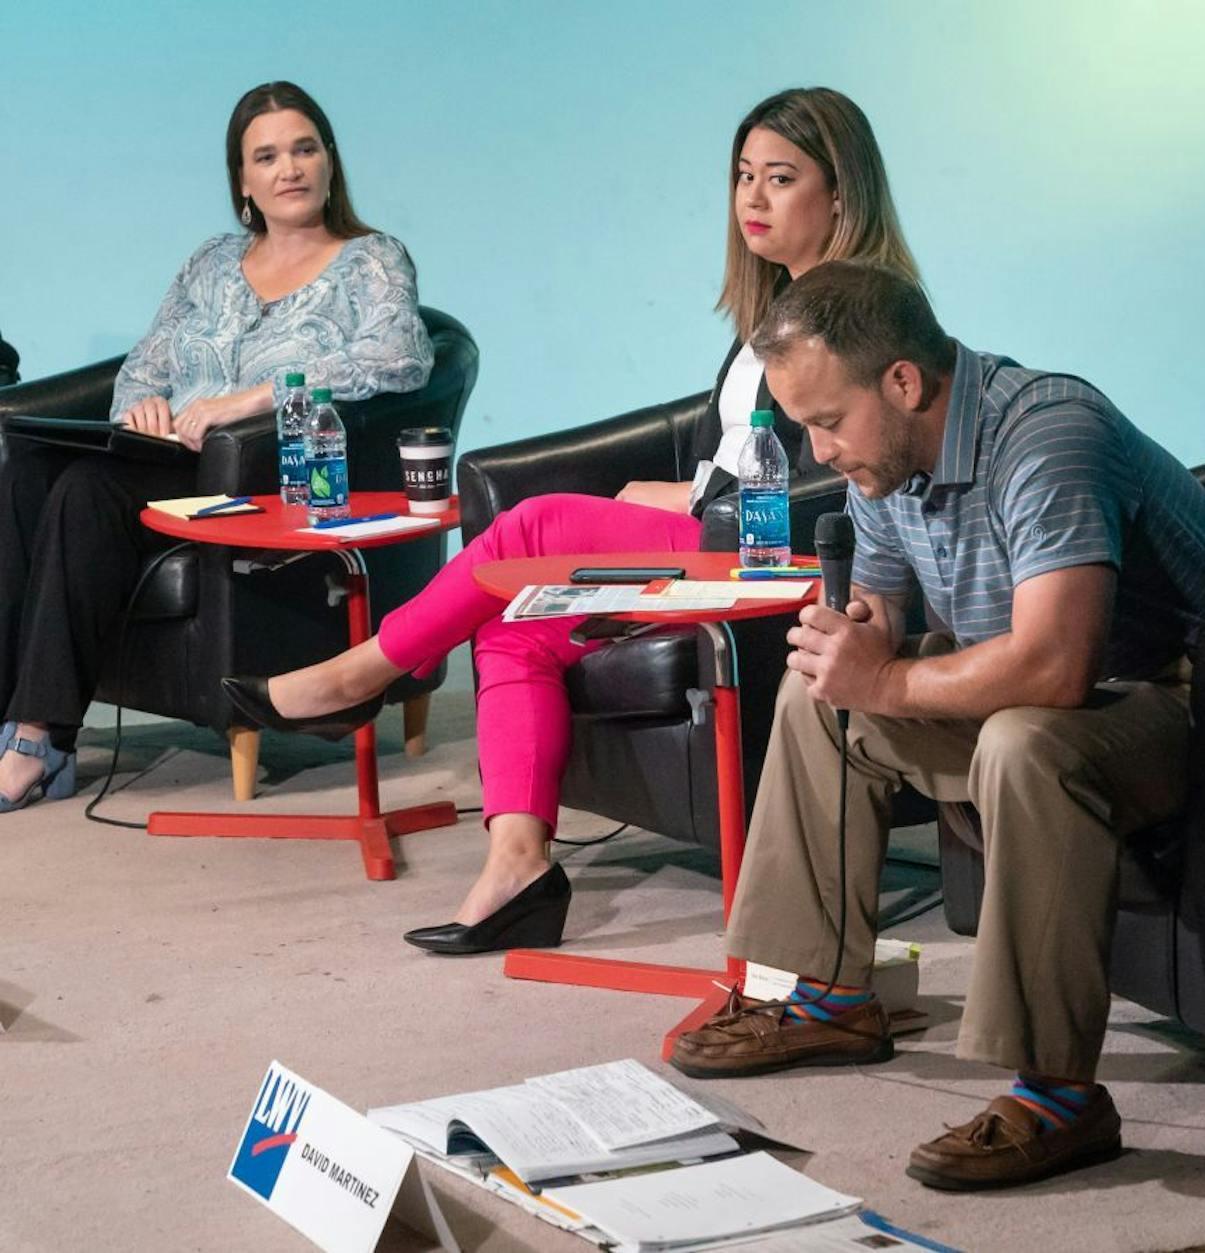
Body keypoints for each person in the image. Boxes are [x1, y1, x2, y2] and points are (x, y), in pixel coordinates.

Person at [223, 87, 920, 956]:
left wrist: (692, 500)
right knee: (518, 627)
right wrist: (687, 490)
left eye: (780, 178)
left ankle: (357, 676)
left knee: (537, 521)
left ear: (842, 196)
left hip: (773, 557)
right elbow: (750, 449)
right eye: (743, 176)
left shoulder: (859, 317)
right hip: (724, 533)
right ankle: (517, 865)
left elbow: (840, 465)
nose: (752, 198)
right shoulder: (775, 314)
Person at [666, 261, 1205, 1192]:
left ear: (903, 381)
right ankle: (822, 994)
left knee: (1023, 741)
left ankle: (1060, 1096)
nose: (819, 451)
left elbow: (1057, 664)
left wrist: (892, 674)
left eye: (827, 420)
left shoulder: (1048, 436)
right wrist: (858, 639)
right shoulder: (889, 455)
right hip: (1053, 693)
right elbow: (882, 606)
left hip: (1199, 708)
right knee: (818, 697)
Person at [0, 81, 433, 812]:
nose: (288, 169)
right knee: (26, 468)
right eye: (266, 156)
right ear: (243, 179)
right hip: (171, 463)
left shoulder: (372, 260)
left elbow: (402, 358)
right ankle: (16, 722)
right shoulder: (211, 262)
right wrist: (142, 405)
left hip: (266, 476)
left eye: (303, 149)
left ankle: (39, 741)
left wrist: (259, 397)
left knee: (82, 491)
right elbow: (145, 362)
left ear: (330, 162)